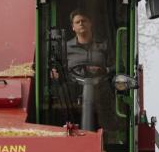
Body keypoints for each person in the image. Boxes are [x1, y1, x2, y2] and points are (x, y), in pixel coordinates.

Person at [52, 10, 121, 138]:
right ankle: (65, 131)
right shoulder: (66, 48)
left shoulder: (104, 46)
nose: (81, 24)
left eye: (84, 21)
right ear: (73, 27)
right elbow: (57, 66)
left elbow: (117, 65)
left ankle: (110, 133)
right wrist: (56, 73)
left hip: (101, 85)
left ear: (90, 24)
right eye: (77, 22)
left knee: (112, 93)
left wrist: (106, 70)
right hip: (73, 86)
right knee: (61, 92)